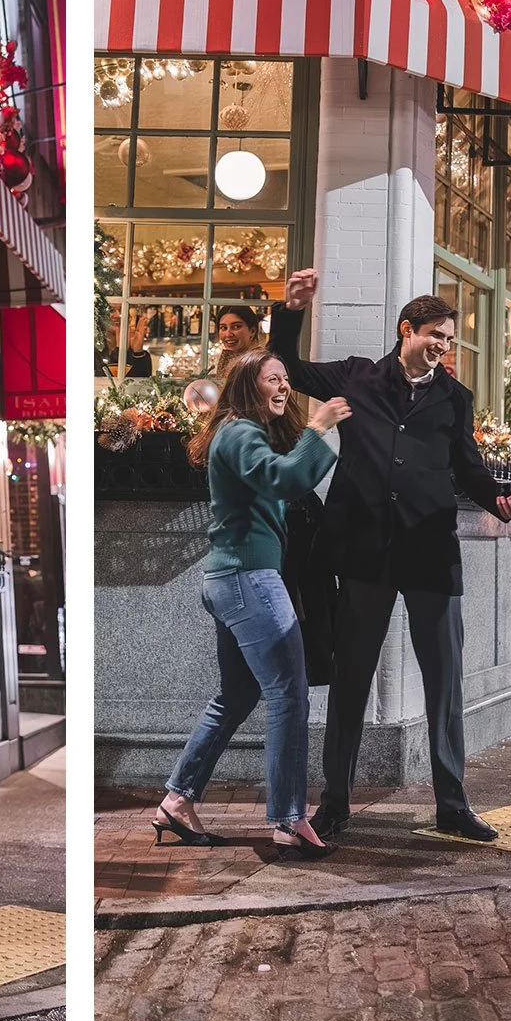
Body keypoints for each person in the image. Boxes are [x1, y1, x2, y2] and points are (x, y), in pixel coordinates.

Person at [272, 273, 511, 843]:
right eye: (436, 334)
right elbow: (288, 365)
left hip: (431, 550)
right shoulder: (357, 376)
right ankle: (335, 801)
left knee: (445, 681)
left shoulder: (454, 399)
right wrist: (290, 311)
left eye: (450, 339)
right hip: (364, 551)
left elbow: (469, 469)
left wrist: (498, 499)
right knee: (351, 679)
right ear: (406, 330)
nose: (443, 345)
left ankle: (452, 803)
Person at [151, 351, 349, 856]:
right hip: (248, 580)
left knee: (236, 697)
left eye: (286, 379)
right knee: (290, 694)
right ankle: (287, 819)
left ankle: (177, 800)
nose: (284, 387)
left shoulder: (242, 433)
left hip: (233, 579)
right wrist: (320, 429)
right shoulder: (240, 434)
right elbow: (285, 479)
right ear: (246, 386)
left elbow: (278, 479)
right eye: (272, 380)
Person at [211, 303, 263, 381]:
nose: (228, 334)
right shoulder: (229, 358)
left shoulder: (258, 363)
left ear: (252, 331)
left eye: (236, 327)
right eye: (223, 328)